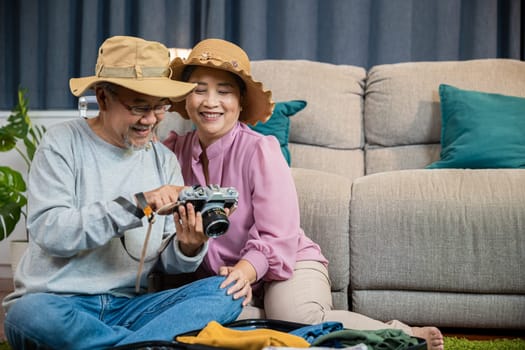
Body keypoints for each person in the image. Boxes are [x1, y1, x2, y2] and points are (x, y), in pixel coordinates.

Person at [162, 38, 445, 350]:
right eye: (199, 89)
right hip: (223, 278)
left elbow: (279, 234)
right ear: (185, 97)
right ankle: (269, 324)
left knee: (296, 316)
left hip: (284, 261)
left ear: (240, 102)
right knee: (212, 325)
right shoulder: (171, 152)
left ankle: (400, 335)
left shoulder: (260, 150)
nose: (210, 101)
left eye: (224, 91)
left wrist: (246, 269)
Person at [2, 36, 247, 350]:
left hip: (128, 309)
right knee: (27, 316)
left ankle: (122, 346)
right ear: (103, 98)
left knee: (225, 291)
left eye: (160, 108)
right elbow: (52, 234)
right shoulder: (61, 143)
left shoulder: (163, 159)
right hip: (60, 304)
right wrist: (139, 205)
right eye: (139, 107)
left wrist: (189, 246)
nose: (151, 120)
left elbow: (168, 263)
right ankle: (143, 346)